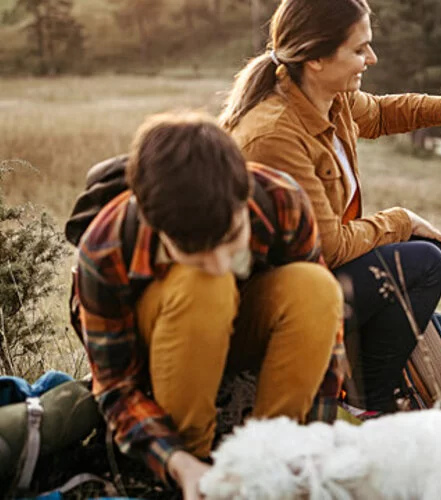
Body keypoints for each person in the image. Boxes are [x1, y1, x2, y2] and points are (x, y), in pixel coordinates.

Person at [220, 0, 441, 412]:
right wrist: (401, 221)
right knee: (424, 263)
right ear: (317, 57)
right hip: (277, 309)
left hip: (315, 278)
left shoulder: (325, 95)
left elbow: (376, 114)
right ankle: (370, 401)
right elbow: (330, 246)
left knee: (416, 283)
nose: (371, 59)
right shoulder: (273, 135)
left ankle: (382, 377)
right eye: (359, 50)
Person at [75, 112, 346, 499]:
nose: (221, 265)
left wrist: (317, 435)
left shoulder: (282, 198)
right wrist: (178, 462)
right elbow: (115, 385)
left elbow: (326, 333)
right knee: (205, 286)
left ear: (244, 195)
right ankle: (199, 469)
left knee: (318, 287)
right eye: (196, 254)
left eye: (233, 237)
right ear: (155, 226)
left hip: (241, 338)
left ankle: (268, 459)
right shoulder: (104, 248)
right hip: (163, 362)